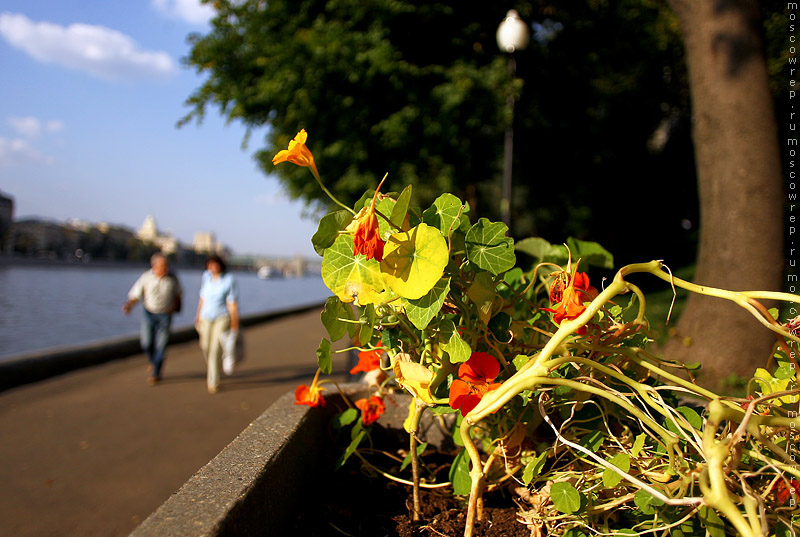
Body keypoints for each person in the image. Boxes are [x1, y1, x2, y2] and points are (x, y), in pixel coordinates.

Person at [122, 252, 183, 385]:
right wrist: (129, 306)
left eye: (166, 266)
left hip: (165, 315)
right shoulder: (146, 277)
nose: (165, 269)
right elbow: (136, 294)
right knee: (146, 343)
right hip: (149, 314)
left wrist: (173, 308)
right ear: (154, 266)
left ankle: (156, 372)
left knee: (162, 345)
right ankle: (152, 361)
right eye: (162, 266)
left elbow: (179, 295)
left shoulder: (173, 278)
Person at [195, 255, 239, 394]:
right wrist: (198, 316)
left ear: (220, 265)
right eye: (210, 265)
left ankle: (213, 382)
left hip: (222, 317)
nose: (212, 268)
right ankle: (216, 367)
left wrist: (234, 322)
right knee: (205, 345)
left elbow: (232, 303)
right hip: (206, 317)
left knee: (214, 349)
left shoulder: (229, 280)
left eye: (215, 265)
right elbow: (202, 297)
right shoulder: (206, 277)